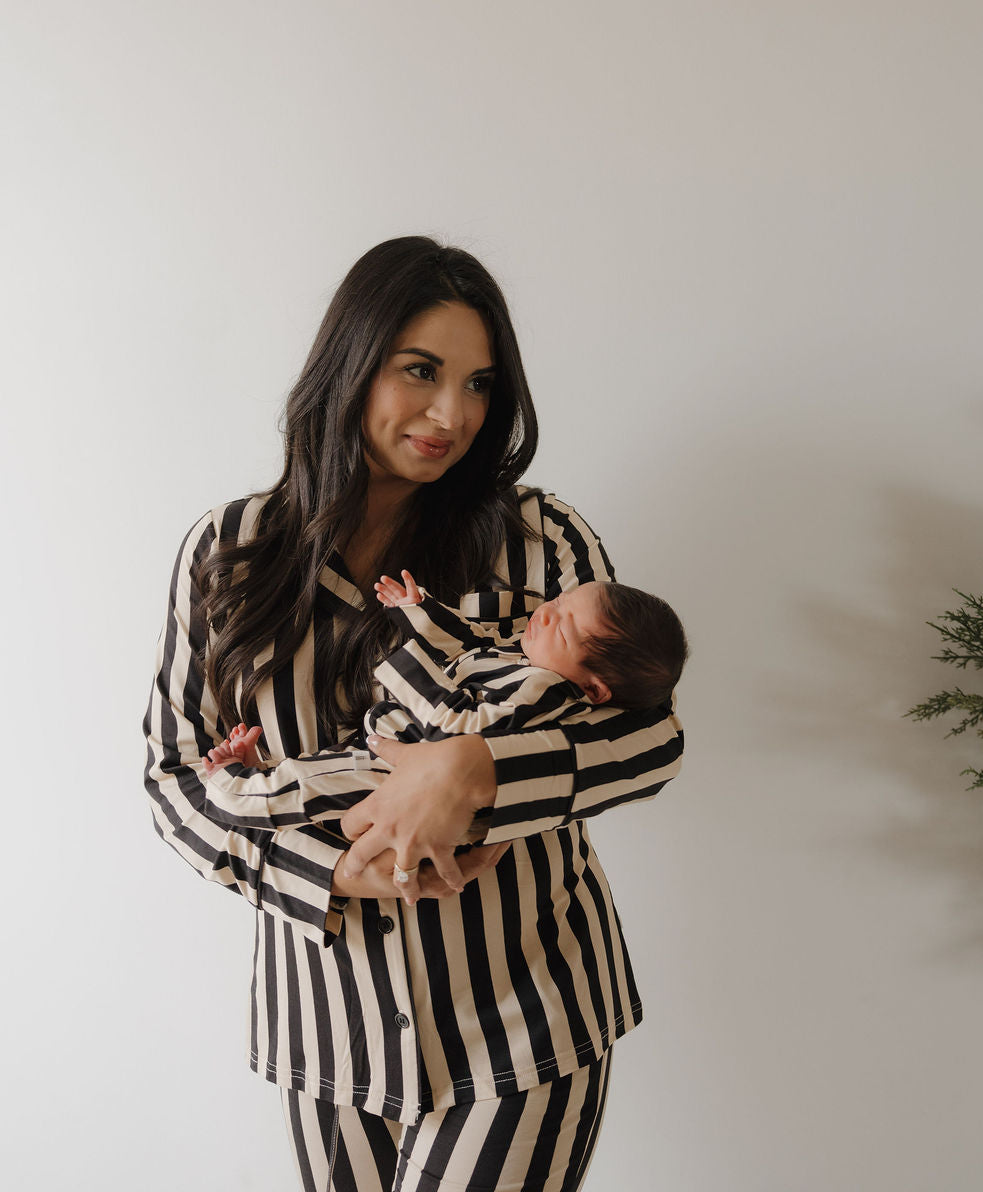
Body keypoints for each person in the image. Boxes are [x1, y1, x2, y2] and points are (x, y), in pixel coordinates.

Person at [144, 236, 685, 1192]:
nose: (452, 415)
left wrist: (473, 772)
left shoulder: (541, 541)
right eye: (421, 372)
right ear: (351, 362)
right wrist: (336, 872)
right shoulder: (227, 551)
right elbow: (176, 780)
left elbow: (648, 738)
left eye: (479, 385)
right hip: (326, 1029)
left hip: (526, 1017)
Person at [201, 571, 688, 895]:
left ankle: (231, 789)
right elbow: (470, 645)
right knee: (316, 775)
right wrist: (419, 611)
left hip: (394, 771)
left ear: (594, 689)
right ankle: (257, 772)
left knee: (311, 786)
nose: (544, 614)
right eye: (557, 603)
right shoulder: (524, 661)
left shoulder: (542, 688)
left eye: (563, 629)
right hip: (385, 756)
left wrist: (408, 668)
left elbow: (458, 730)